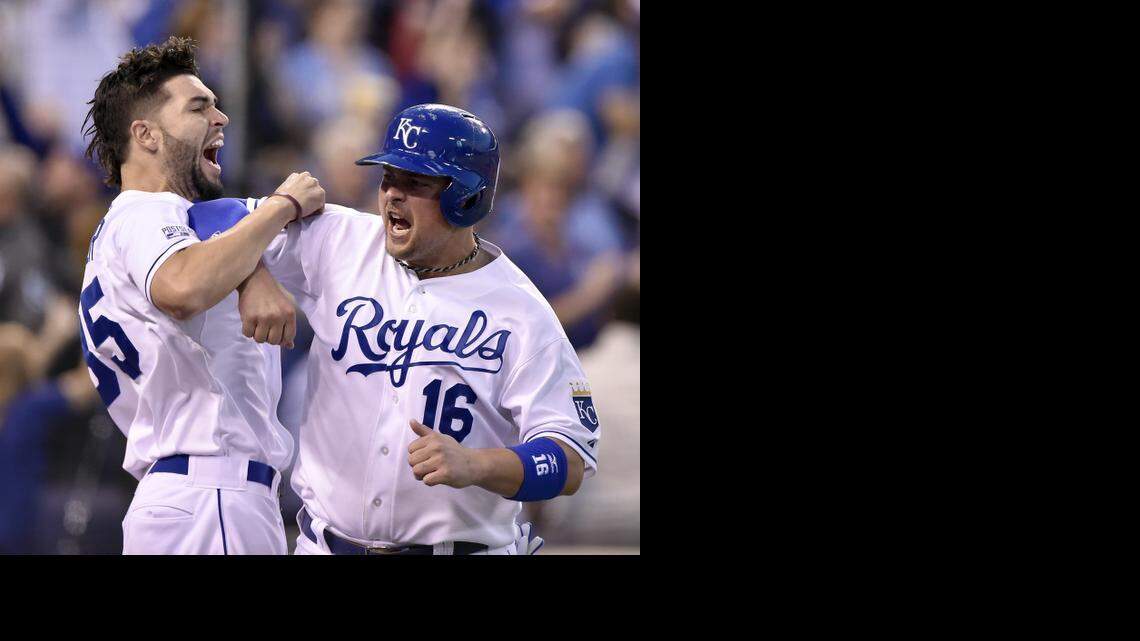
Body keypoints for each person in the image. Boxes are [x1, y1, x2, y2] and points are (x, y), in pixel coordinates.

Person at [193, 104, 601, 555]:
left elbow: (567, 460)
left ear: (464, 197)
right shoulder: (341, 240)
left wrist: (477, 464)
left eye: (416, 183)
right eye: (388, 177)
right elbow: (210, 218)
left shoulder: (521, 310)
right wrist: (255, 278)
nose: (392, 195)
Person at [78, 36, 324, 554]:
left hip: (182, 495)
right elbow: (183, 286)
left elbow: (204, 241)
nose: (222, 117)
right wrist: (281, 206)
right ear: (145, 135)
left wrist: (251, 271)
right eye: (199, 106)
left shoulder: (125, 228)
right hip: (213, 492)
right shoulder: (145, 213)